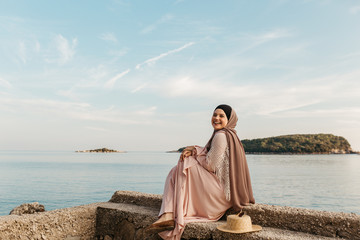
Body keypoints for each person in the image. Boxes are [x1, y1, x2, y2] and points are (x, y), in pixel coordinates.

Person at [146, 104, 255, 239]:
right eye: (215, 115)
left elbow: (210, 165)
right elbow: (213, 156)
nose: (216, 118)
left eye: (221, 116)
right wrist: (196, 150)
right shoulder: (231, 135)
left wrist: (195, 152)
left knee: (184, 163)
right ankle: (167, 215)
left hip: (218, 197)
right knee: (177, 170)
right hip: (224, 195)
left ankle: (168, 214)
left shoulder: (221, 136)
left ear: (229, 119)